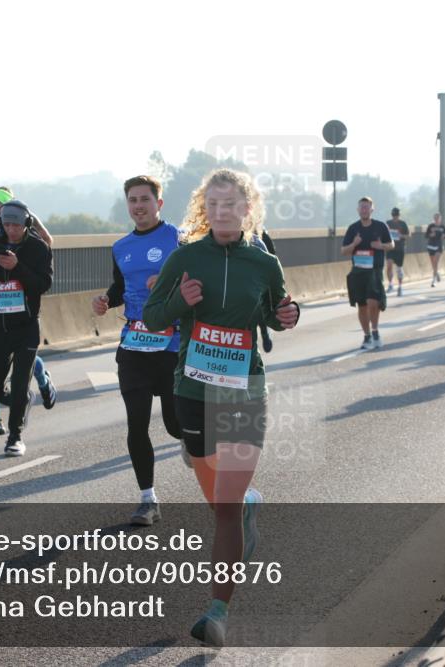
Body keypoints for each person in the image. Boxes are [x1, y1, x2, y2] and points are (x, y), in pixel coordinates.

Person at [142, 168, 299, 647]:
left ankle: (217, 612)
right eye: (213, 205)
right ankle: (249, 507)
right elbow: (150, 318)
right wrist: (179, 303)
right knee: (220, 501)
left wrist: (288, 315)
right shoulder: (187, 257)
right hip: (193, 392)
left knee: (224, 509)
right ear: (202, 209)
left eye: (230, 204)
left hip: (245, 391)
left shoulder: (265, 263)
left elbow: (275, 310)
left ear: (248, 208)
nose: (221, 212)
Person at [92, 175, 182, 525]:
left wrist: (169, 282)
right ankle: (148, 498)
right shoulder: (121, 246)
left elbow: (196, 279)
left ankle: (192, 441)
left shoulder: (178, 238)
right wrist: (106, 300)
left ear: (159, 204)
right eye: (132, 200)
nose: (139, 206)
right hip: (134, 343)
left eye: (145, 199)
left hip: (172, 344)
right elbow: (120, 287)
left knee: (176, 426)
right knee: (137, 423)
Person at [0, 188, 57, 439]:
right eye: (7, 224)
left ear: (26, 224)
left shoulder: (37, 248)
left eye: (16, 225)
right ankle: (21, 402)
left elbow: (44, 284)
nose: (11, 230)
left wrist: (17, 267)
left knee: (21, 383)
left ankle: (15, 436)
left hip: (27, 327)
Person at [340, 197, 394, 349]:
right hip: (358, 271)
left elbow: (391, 244)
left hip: (374, 271)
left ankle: (375, 330)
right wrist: (354, 244)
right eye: (361, 207)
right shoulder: (353, 228)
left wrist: (380, 245)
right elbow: (343, 251)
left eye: (367, 207)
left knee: (373, 302)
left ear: (372, 209)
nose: (364, 209)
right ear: (358, 210)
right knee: (362, 306)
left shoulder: (380, 226)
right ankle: (367, 336)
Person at [385, 207, 410, 295]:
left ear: (399, 215)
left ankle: (400, 286)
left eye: (396, 215)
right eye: (393, 215)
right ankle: (390, 284)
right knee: (389, 265)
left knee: (399, 268)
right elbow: (383, 234)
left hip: (400, 248)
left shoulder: (403, 224)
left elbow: (408, 236)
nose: (395, 217)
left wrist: (401, 236)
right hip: (390, 248)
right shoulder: (388, 223)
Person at [425, 212, 445, 287]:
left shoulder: (442, 226)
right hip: (431, 246)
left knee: (435, 261)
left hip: (439, 246)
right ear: (434, 219)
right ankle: (436, 272)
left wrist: (444, 236)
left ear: (440, 219)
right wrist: (431, 235)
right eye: (435, 218)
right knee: (433, 263)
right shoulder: (431, 226)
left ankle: (433, 280)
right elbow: (426, 235)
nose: (437, 219)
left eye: (438, 218)